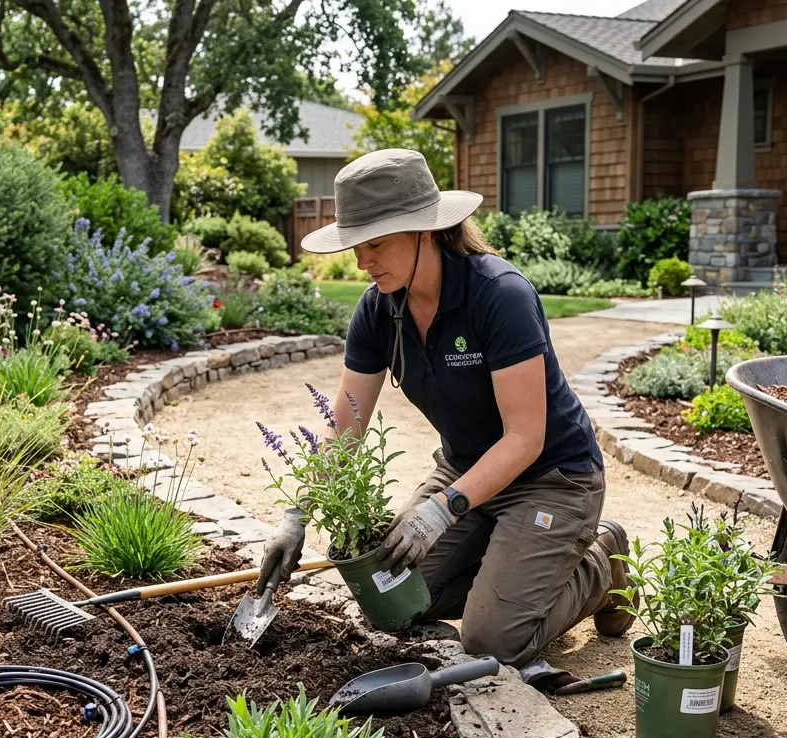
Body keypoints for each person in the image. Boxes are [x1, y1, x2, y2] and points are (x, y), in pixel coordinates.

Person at [256, 148, 635, 668]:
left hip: (553, 478)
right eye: (355, 248)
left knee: (492, 640)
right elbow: (345, 430)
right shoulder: (377, 310)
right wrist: (295, 516)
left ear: (425, 231)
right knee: (389, 601)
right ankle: (509, 565)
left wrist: (440, 511)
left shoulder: (498, 295)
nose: (363, 262)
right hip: (466, 474)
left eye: (376, 245)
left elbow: (525, 437)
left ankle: (600, 562)